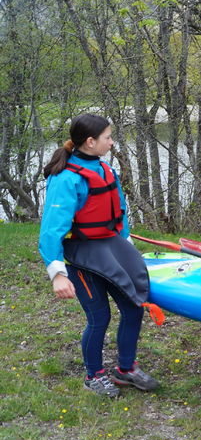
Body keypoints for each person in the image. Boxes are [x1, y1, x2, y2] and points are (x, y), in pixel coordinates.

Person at [39, 114, 160, 398]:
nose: (112, 141)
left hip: (110, 250)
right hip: (82, 257)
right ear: (91, 142)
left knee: (133, 307)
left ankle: (126, 370)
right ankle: (94, 375)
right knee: (99, 318)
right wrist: (57, 274)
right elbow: (50, 231)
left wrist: (126, 246)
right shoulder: (66, 179)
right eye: (108, 137)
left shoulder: (106, 170)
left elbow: (120, 213)